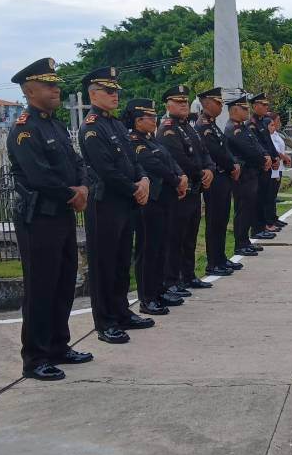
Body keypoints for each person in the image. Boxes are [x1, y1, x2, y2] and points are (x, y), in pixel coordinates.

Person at [7, 58, 93, 381]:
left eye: (56, 84)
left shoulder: (55, 125)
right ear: (30, 91)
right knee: (40, 287)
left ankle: (59, 344)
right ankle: (35, 357)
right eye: (48, 85)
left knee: (63, 282)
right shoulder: (24, 130)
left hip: (61, 215)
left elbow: (76, 160)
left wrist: (82, 185)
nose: (56, 89)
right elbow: (38, 175)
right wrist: (72, 193)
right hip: (38, 218)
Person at [79, 67, 153, 345]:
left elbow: (133, 160)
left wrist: (143, 179)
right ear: (93, 93)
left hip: (126, 202)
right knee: (104, 265)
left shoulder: (117, 125)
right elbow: (106, 170)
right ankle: (105, 321)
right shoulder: (92, 127)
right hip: (105, 205)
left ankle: (122, 312)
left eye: (116, 91)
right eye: (109, 91)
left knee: (122, 261)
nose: (115, 95)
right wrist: (135, 187)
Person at [124, 98, 188, 316]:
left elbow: (169, 159)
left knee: (161, 248)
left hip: (165, 200)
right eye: (149, 117)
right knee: (148, 250)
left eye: (154, 116)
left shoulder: (152, 140)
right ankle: (147, 297)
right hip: (150, 203)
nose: (153, 120)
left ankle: (159, 289)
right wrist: (175, 179)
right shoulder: (135, 141)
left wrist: (181, 175)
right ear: (138, 121)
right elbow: (152, 165)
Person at [157, 85, 215, 292]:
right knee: (176, 238)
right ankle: (172, 280)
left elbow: (204, 151)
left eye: (185, 101)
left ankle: (188, 275)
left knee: (190, 235)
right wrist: (201, 173)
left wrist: (209, 169)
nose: (183, 105)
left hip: (194, 189)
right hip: (179, 192)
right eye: (178, 102)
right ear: (168, 104)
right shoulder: (168, 129)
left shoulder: (189, 126)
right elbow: (179, 158)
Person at [195, 88, 245, 276]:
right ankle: (213, 262)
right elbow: (215, 152)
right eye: (217, 102)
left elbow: (225, 147)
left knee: (222, 220)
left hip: (224, 178)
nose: (221, 105)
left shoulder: (213, 125)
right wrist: (232, 166)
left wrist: (234, 163)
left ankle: (221, 257)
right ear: (206, 103)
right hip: (215, 179)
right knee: (214, 222)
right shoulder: (203, 126)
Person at [226, 95, 271, 256]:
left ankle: (245, 242)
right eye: (244, 108)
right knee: (243, 210)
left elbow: (257, 145)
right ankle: (240, 244)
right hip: (243, 176)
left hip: (251, 174)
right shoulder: (234, 128)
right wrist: (262, 159)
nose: (247, 111)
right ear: (235, 110)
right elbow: (248, 150)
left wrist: (265, 155)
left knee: (249, 210)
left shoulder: (243, 127)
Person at [248, 93, 280, 237]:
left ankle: (262, 228)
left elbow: (269, 144)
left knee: (265, 197)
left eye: (267, 104)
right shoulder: (251, 124)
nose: (267, 107)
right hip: (260, 167)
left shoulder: (263, 122)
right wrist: (266, 159)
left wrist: (275, 158)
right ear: (255, 106)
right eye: (264, 104)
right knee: (258, 199)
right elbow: (256, 146)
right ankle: (257, 229)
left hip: (268, 166)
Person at [267, 113, 291, 227]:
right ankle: (269, 221)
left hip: (279, 167)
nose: (279, 122)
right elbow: (274, 150)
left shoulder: (276, 134)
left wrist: (284, 158)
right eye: (277, 120)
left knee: (274, 195)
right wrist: (284, 157)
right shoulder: (269, 135)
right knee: (270, 196)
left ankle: (274, 218)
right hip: (273, 168)